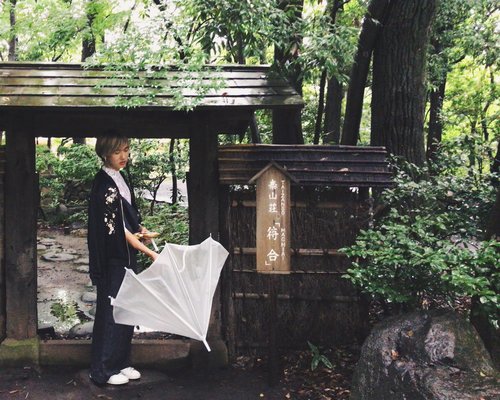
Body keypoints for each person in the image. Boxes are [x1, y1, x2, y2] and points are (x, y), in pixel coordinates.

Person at [87, 134, 158, 386]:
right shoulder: (104, 184)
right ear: (105, 153)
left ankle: (121, 362)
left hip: (127, 254)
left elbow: (128, 220)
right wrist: (149, 252)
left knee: (128, 307)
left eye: (126, 150)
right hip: (112, 258)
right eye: (118, 152)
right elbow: (117, 230)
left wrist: (143, 232)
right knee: (111, 309)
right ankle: (102, 370)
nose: (124, 156)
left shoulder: (120, 178)